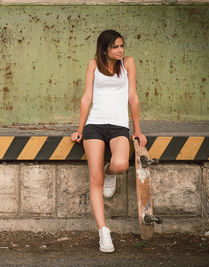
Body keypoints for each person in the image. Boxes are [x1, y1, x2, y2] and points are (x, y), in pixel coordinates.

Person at [71, 30, 147, 253]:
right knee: (95, 180)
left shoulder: (128, 64)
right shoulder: (93, 64)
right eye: (115, 47)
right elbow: (87, 97)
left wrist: (138, 131)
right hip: (94, 125)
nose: (120, 50)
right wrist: (79, 129)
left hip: (118, 126)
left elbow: (133, 97)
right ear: (105, 49)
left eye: (122, 45)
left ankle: (109, 171)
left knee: (121, 164)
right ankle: (104, 231)